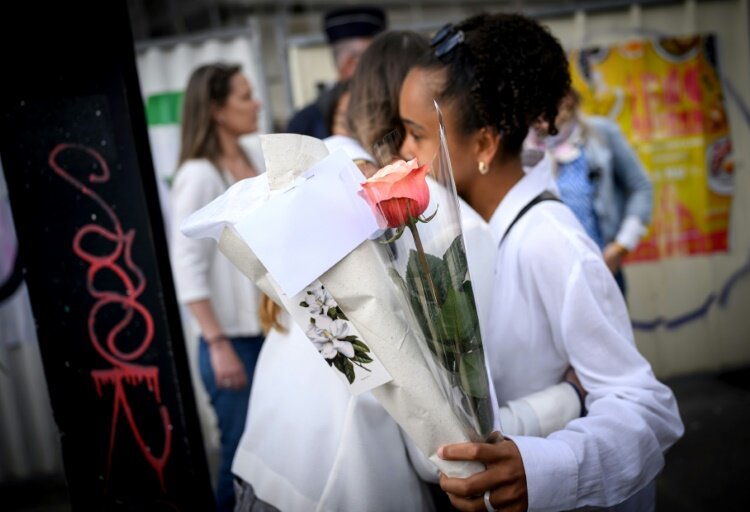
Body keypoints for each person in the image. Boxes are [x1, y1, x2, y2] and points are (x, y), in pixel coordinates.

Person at [232, 30, 586, 512]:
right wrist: (568, 398)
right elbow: (451, 450)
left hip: (259, 474)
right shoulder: (432, 222)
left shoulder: (310, 191)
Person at [398, 13, 683, 512]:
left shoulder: (551, 241)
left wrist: (541, 468)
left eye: (416, 135)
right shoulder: (485, 233)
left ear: (483, 143)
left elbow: (648, 408)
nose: (403, 151)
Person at [169, 62, 265, 512]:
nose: (256, 103)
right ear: (217, 110)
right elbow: (186, 268)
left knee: (269, 458)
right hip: (232, 344)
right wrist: (217, 342)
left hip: (266, 336)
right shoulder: (199, 174)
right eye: (245, 96)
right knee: (241, 461)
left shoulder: (252, 158)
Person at [525, 88, 653, 294]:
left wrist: (622, 245)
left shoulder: (601, 133)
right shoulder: (526, 147)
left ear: (568, 100)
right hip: (552, 276)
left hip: (602, 268)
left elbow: (640, 187)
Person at [284, 5, 386, 139]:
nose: (384, 69)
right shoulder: (306, 124)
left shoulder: (304, 121)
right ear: (350, 63)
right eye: (378, 60)